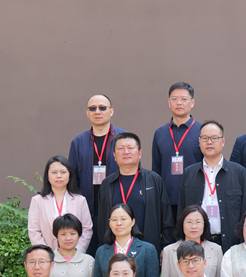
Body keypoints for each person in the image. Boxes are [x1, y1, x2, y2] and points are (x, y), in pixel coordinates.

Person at [94, 132, 174, 256]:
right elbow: (101, 221)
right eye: (121, 148)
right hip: (114, 252)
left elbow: (166, 217)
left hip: (148, 250)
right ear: (114, 155)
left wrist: (166, 247)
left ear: (140, 153)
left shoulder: (154, 180)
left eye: (130, 148)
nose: (126, 152)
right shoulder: (107, 184)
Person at [178, 120, 246, 252]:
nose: (209, 142)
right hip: (196, 244)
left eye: (214, 138)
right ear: (199, 142)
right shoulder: (188, 173)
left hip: (230, 245)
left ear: (223, 141)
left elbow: (245, 211)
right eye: (205, 138)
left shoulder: (238, 172)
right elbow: (181, 211)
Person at [67, 94, 128, 231]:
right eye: (92, 108)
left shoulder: (124, 139)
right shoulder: (78, 142)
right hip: (87, 212)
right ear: (87, 113)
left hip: (118, 211)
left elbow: (134, 173)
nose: (97, 111)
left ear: (111, 111)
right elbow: (72, 179)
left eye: (102, 108)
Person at [93, 204, 160, 277]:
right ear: (109, 223)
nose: (119, 223)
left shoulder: (147, 250)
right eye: (114, 219)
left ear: (133, 222)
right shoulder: (101, 251)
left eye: (123, 219)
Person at [151, 82, 203, 219]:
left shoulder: (202, 131)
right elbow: (156, 169)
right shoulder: (160, 133)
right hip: (166, 200)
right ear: (169, 102)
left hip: (195, 199)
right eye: (174, 99)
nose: (179, 103)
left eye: (184, 99)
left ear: (192, 102)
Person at [29, 155, 93, 252]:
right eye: (54, 172)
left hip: (74, 255)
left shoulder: (80, 200)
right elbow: (34, 231)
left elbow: (87, 229)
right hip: (48, 255)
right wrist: (47, 254)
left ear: (69, 175)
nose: (59, 176)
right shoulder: (37, 201)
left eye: (63, 172)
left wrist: (77, 252)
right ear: (47, 176)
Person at [160, 205, 222, 277]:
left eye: (198, 222)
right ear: (182, 224)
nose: (194, 226)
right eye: (189, 222)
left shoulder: (216, 249)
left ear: (205, 224)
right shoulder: (169, 251)